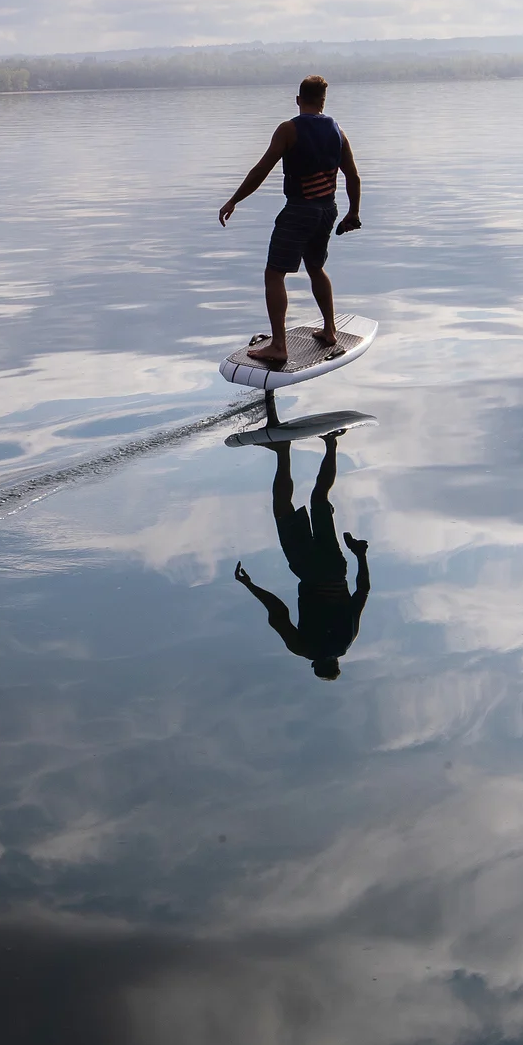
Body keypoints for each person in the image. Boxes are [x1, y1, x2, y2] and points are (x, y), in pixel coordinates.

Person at [218, 74, 362, 369]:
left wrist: (234, 200)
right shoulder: (338, 130)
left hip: (299, 210)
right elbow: (353, 176)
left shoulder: (288, 130)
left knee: (274, 274)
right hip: (327, 210)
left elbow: (261, 170)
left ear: (298, 99)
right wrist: (353, 213)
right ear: (324, 101)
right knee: (316, 268)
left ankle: (280, 346)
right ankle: (330, 330)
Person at [234, 431, 370, 680]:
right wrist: (250, 586)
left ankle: (330, 443)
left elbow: (362, 592)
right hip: (308, 570)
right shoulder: (303, 649)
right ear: (316, 665)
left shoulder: (349, 638)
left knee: (320, 498)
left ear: (337, 663)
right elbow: (278, 613)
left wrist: (360, 555)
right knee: (283, 509)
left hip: (336, 569)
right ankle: (283, 450)